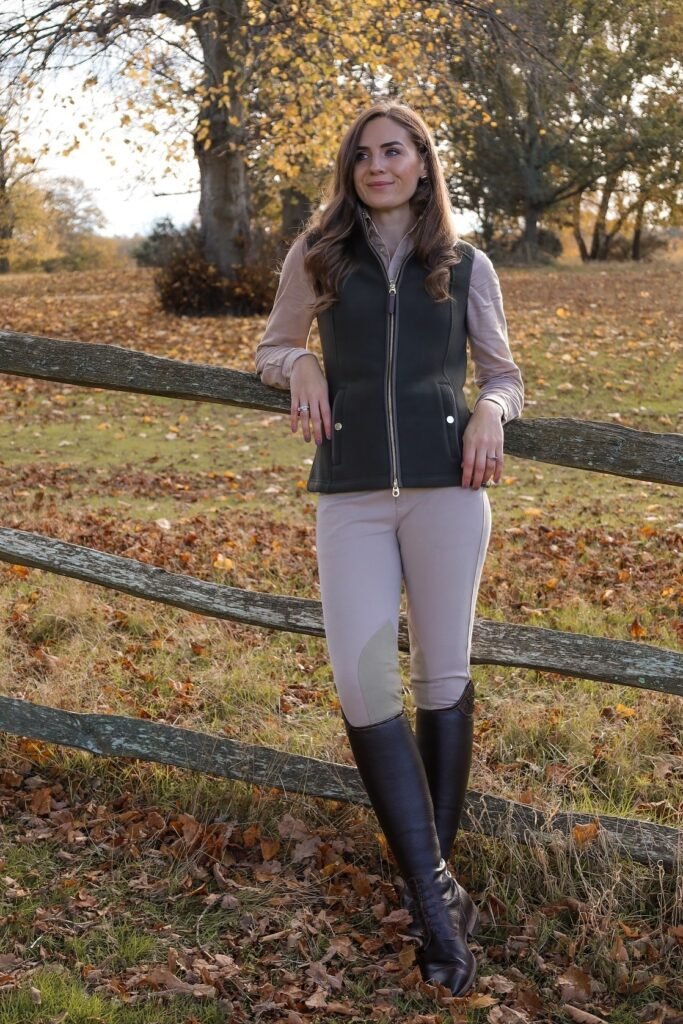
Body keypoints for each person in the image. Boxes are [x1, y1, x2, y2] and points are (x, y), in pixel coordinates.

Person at [255, 101, 524, 996]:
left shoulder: (467, 263)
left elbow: (505, 372)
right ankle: (439, 896)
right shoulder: (317, 254)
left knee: (440, 676)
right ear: (351, 167)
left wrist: (490, 409)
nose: (378, 165)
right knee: (362, 683)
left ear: (421, 163)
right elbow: (273, 342)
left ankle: (431, 914)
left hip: (451, 494)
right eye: (364, 154)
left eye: (394, 151)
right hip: (353, 496)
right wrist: (296, 365)